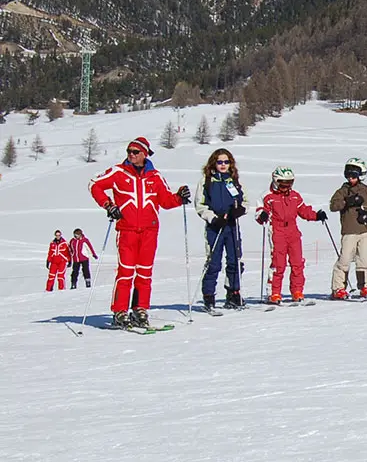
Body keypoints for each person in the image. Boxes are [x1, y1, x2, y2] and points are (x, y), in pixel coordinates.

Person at [88, 136, 189, 328]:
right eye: (129, 151)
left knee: (145, 273)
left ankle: (140, 309)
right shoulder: (118, 172)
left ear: (145, 154)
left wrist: (179, 197)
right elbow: (94, 185)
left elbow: (166, 200)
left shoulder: (155, 176)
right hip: (127, 230)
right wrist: (108, 205)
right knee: (125, 272)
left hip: (149, 230)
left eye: (135, 152)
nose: (131, 155)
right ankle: (119, 311)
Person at [256, 166, 326, 304]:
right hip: (277, 231)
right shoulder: (267, 196)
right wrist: (262, 215)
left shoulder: (294, 196)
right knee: (278, 263)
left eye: (289, 183)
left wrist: (316, 215)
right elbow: (260, 211)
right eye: (283, 183)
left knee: (297, 262)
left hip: (293, 231)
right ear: (276, 181)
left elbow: (303, 210)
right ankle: (274, 293)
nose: (286, 186)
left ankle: (297, 290)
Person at [194, 148, 247, 310]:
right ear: (214, 163)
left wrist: (239, 210)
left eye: (226, 162)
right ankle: (209, 296)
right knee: (214, 262)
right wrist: (213, 218)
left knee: (235, 260)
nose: (223, 165)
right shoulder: (207, 181)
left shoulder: (233, 180)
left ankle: (233, 292)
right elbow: (200, 205)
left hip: (231, 226)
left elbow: (244, 200)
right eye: (220, 162)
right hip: (215, 227)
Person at [329, 158, 367, 299]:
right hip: (349, 231)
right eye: (348, 176)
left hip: (365, 231)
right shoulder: (343, 191)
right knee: (344, 260)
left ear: (360, 175)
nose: (351, 179)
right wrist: (347, 202)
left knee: (364, 260)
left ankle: (365, 286)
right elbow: (333, 206)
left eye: (354, 176)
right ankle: (338, 288)